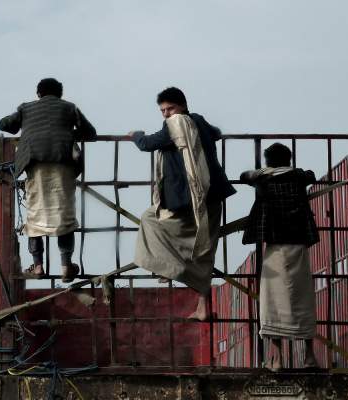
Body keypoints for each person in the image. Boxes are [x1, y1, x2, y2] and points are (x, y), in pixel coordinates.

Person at [129, 87, 236, 320]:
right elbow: (215, 133)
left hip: (185, 199)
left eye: (170, 108)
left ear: (182, 106)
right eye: (163, 111)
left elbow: (147, 144)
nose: (167, 114)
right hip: (211, 194)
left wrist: (135, 134)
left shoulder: (176, 124)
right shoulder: (197, 121)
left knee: (150, 220)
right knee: (203, 251)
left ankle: (167, 267)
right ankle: (202, 307)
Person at [0, 78, 96, 282]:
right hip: (64, 163)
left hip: (35, 164)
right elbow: (90, 132)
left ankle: (38, 266)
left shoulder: (26, 108)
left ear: (38, 94)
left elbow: (4, 125)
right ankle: (66, 266)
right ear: (60, 94)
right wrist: (67, 133)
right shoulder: (70, 108)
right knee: (64, 215)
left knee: (35, 214)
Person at [240, 143, 319, 371]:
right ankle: (309, 357)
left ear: (267, 162)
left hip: (275, 246)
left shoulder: (263, 180)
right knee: (303, 299)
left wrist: (262, 172)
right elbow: (310, 175)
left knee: (272, 301)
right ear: (289, 159)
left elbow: (244, 176)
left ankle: (277, 358)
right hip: (299, 246)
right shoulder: (298, 178)